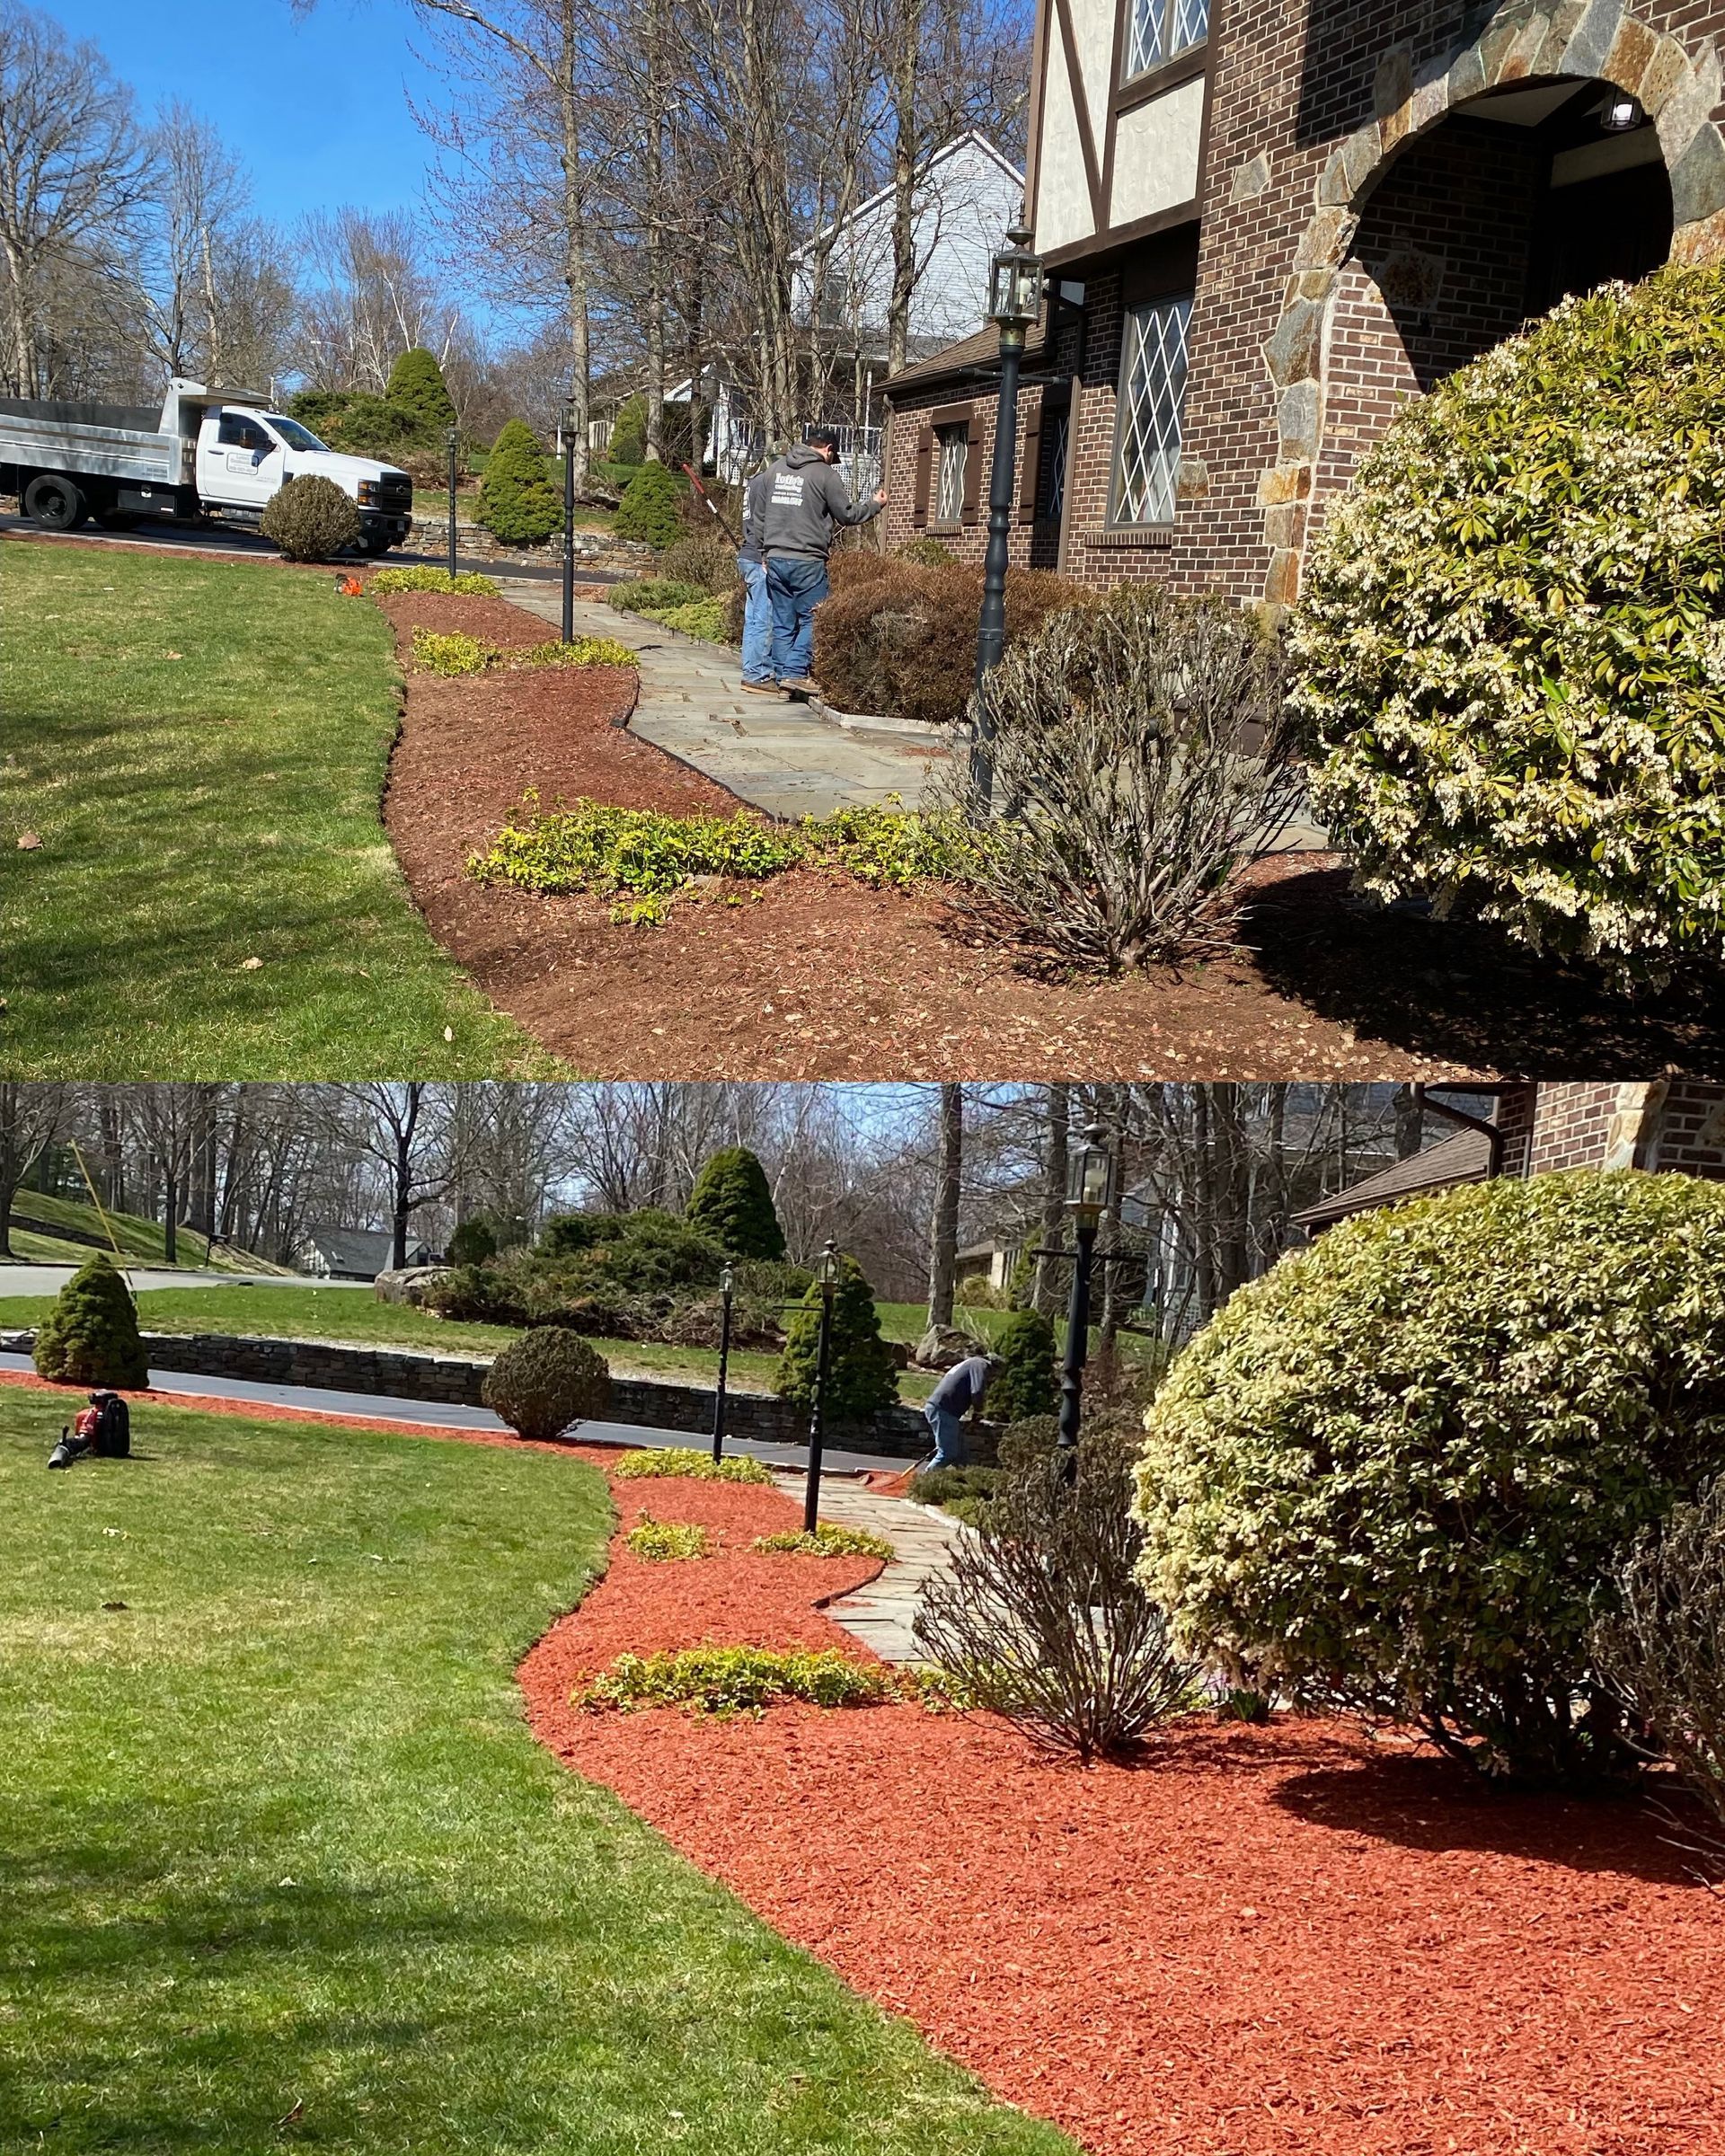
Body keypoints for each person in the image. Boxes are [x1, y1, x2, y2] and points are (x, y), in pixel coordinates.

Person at [759, 426, 887, 695]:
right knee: (815, 618)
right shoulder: (825, 474)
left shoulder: (775, 470)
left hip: (775, 557)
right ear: (829, 449)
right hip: (807, 558)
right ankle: (794, 672)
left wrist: (763, 552)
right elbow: (847, 515)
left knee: (783, 622)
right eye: (833, 456)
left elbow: (761, 514)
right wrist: (875, 505)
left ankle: (783, 678)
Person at [736, 465, 777, 694]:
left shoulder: (753, 482)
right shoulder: (768, 482)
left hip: (747, 555)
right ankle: (758, 674)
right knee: (764, 618)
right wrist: (765, 554)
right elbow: (766, 521)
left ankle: (751, 669)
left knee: (752, 620)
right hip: (758, 557)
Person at [921, 1352, 997, 1472]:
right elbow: (977, 1391)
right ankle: (925, 1480)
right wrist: (978, 1411)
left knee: (962, 1457)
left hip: (942, 1409)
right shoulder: (981, 1364)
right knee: (948, 1453)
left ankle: (962, 1481)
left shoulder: (971, 1363)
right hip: (943, 1410)